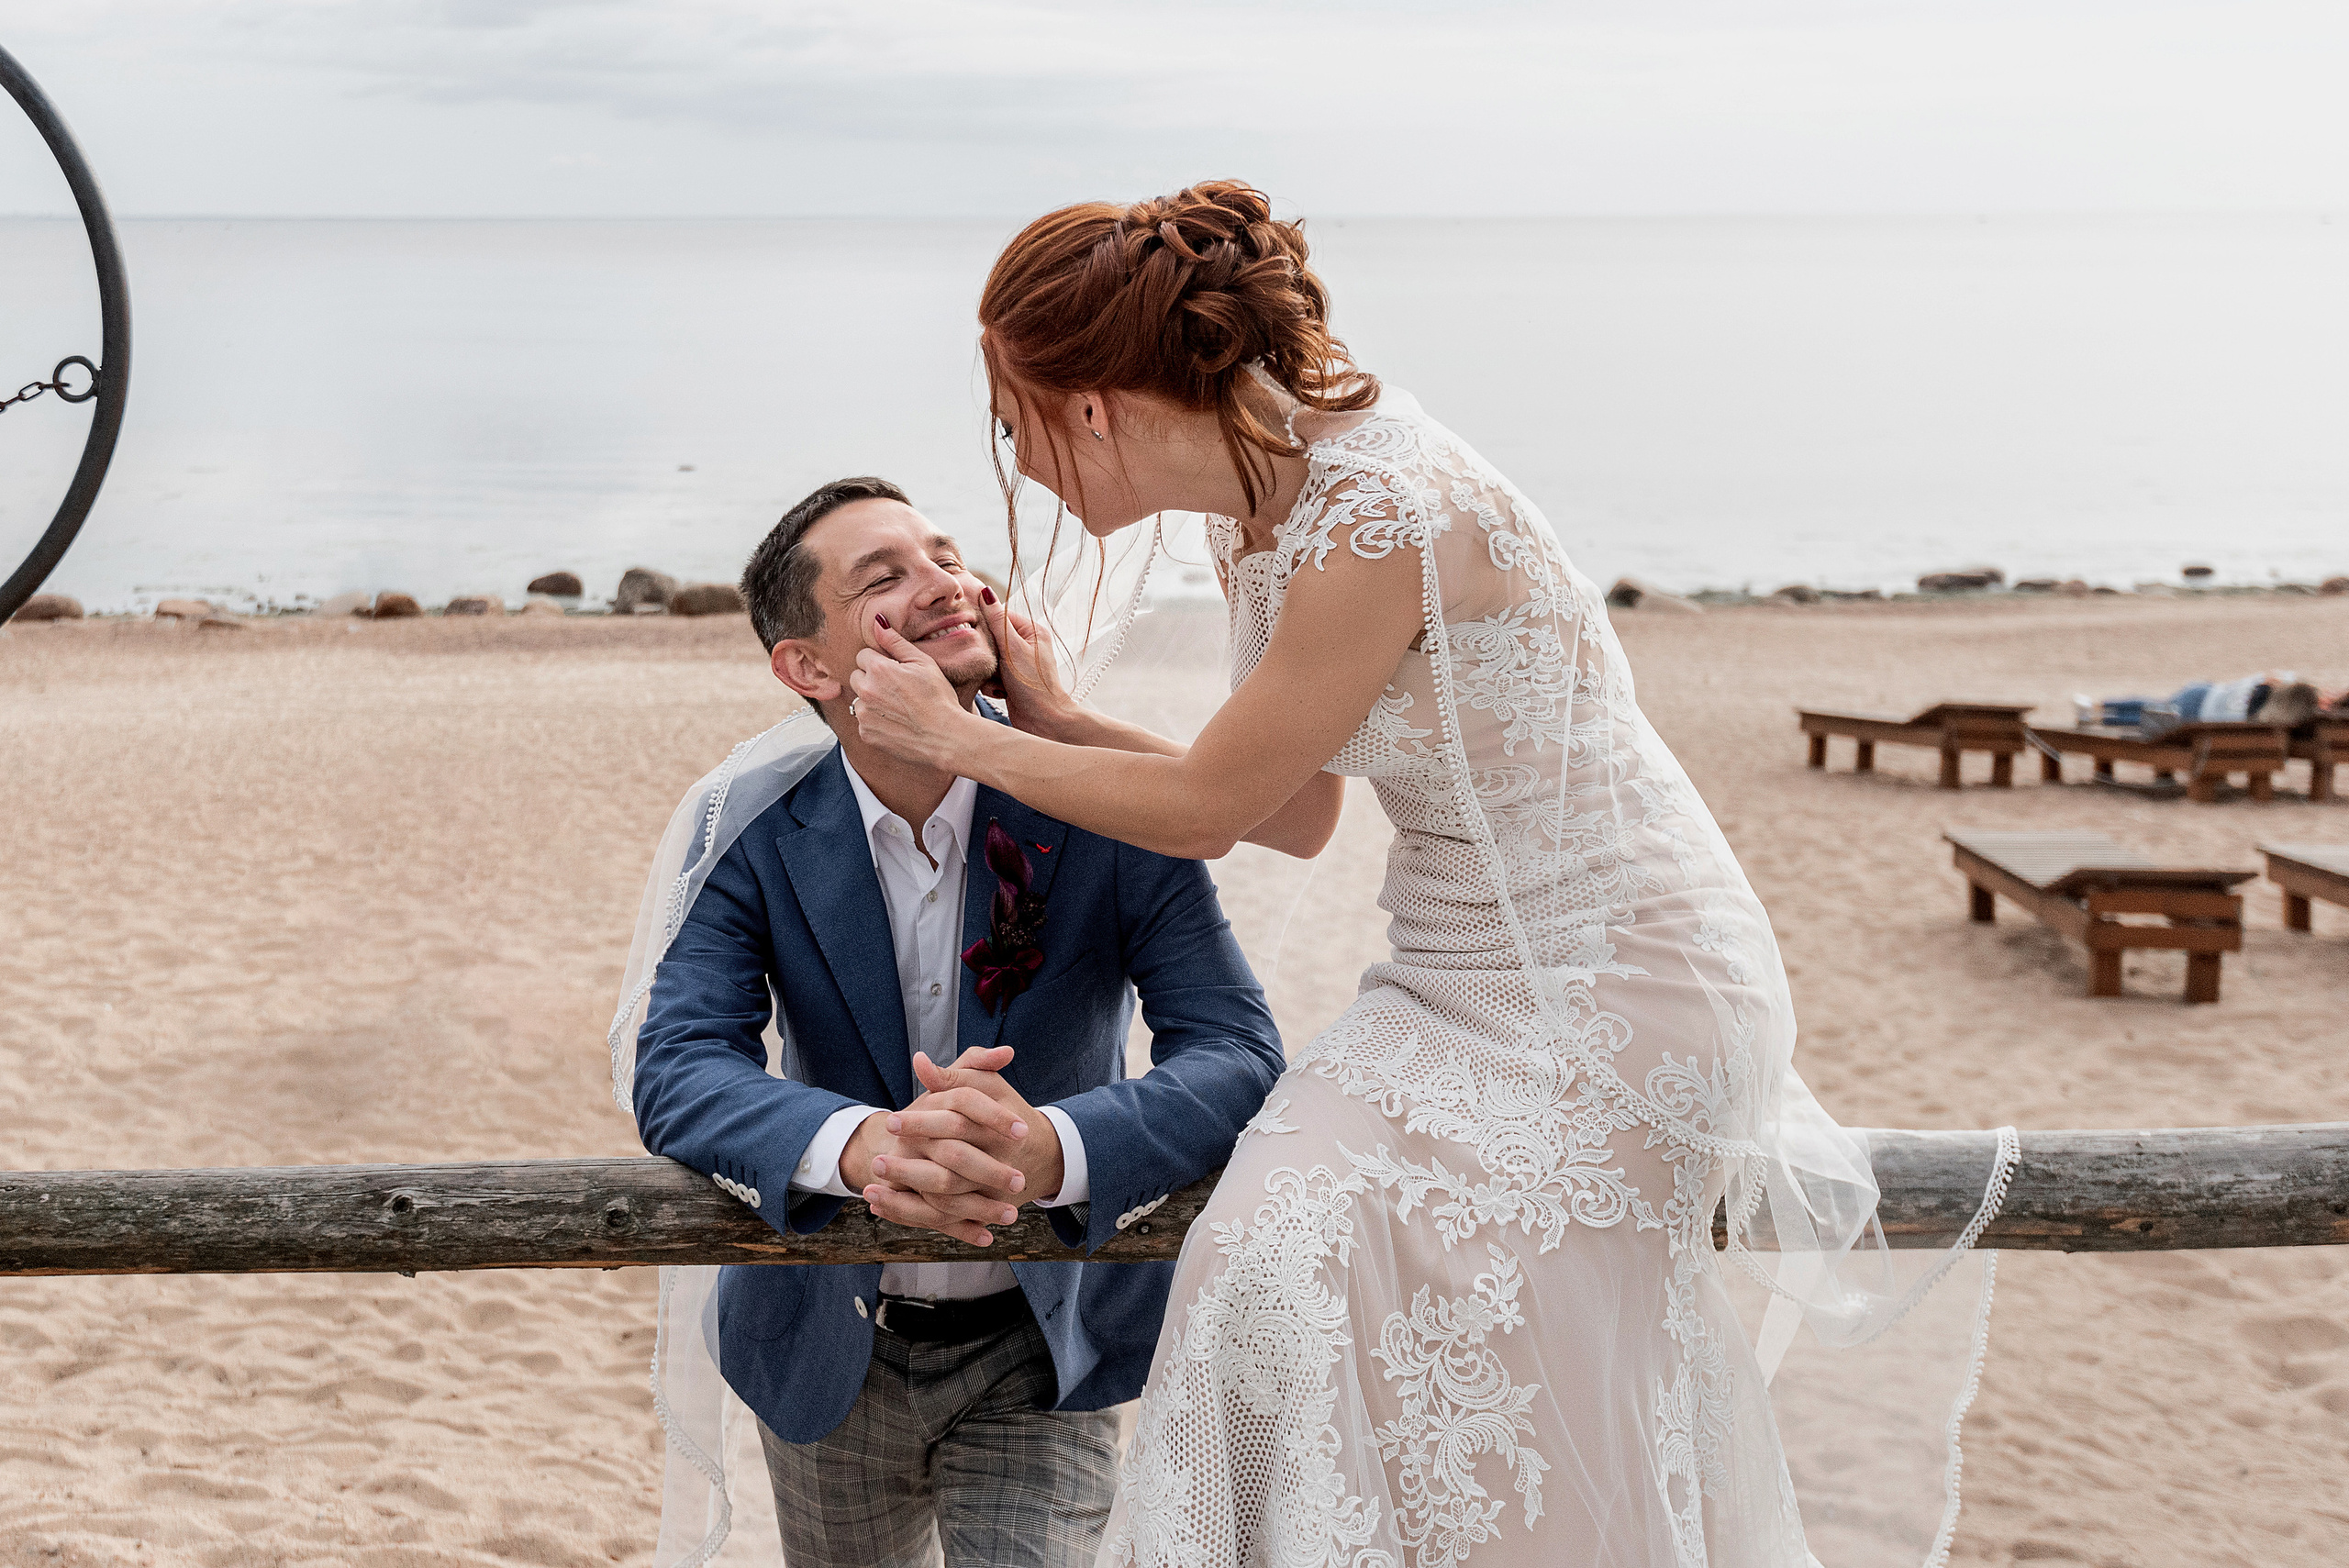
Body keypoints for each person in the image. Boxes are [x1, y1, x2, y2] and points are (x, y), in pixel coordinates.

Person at [844, 183, 2015, 1567]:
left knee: (1335, 1287)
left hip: (1619, 982)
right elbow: (1295, 813)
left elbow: (1213, 807)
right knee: (1260, 1265)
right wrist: (1056, 719)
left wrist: (956, 740)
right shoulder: (1259, 513)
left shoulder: (1380, 508)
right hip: (1450, 976)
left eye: (1014, 422)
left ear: (1091, 408)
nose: (1018, 465)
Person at [624, 475, 1286, 1568]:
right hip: (826, 1347)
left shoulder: (1109, 804)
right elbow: (680, 1064)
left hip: (1048, 1345)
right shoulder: (747, 829)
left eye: (945, 556)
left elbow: (1237, 1049)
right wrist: (863, 1144)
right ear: (808, 667)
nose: (945, 584)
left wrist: (1054, 1147)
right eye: (885, 577)